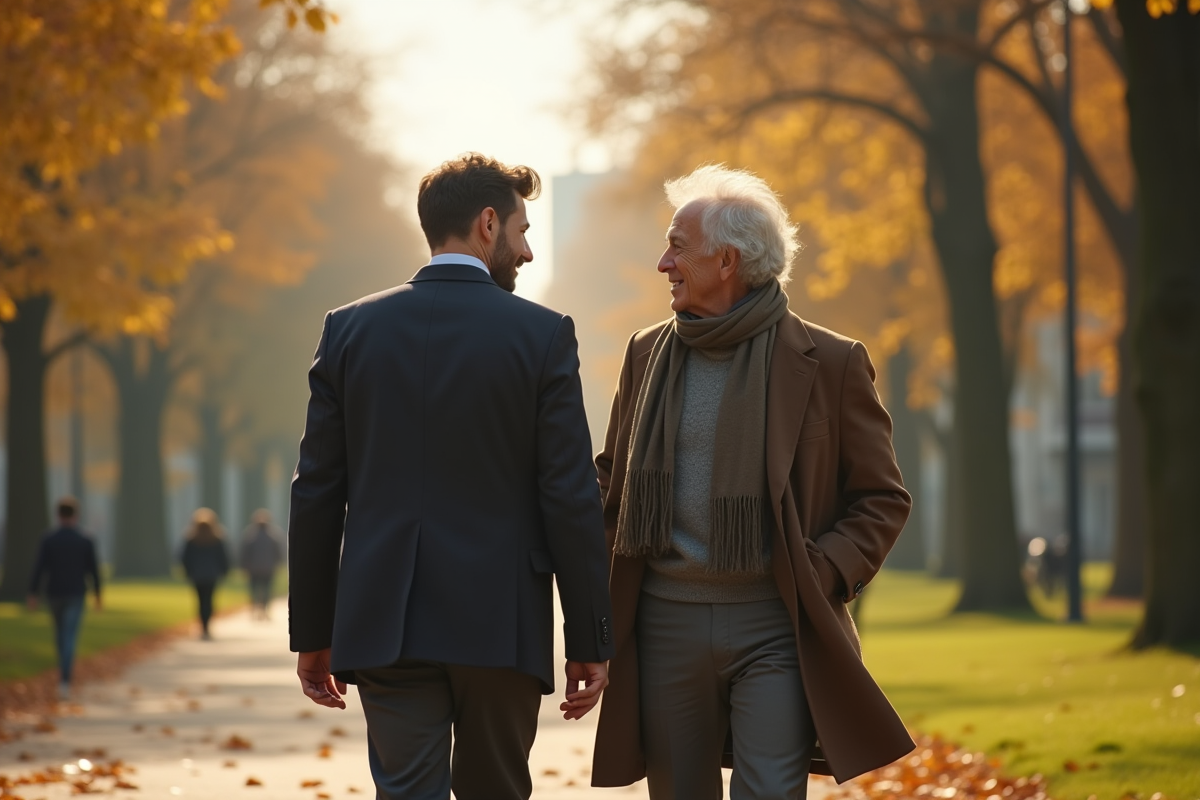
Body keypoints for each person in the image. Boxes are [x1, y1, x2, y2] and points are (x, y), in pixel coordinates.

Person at [288, 153, 614, 800]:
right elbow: (569, 495)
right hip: (501, 621)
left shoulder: (348, 330)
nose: (525, 253)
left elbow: (318, 492)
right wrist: (587, 636)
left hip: (385, 619)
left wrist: (315, 632)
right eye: (522, 231)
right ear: (487, 224)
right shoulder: (542, 335)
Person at [591, 165, 915, 798]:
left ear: (728, 260)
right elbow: (613, 483)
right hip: (664, 622)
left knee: (770, 790)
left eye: (677, 247)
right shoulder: (643, 353)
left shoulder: (831, 361)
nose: (663, 263)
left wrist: (820, 571)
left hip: (776, 622)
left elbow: (881, 497)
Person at [27, 497, 102, 700]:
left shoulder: (49, 539)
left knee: (61, 635)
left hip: (54, 593)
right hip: (76, 593)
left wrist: (33, 592)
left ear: (58, 515)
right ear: (75, 515)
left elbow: (39, 568)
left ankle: (64, 676)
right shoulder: (85, 539)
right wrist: (98, 594)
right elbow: (93, 570)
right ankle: (65, 679)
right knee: (69, 635)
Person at [179, 508, 230, 640]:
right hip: (212, 575)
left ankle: (203, 626)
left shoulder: (191, 539)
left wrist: (187, 571)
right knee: (209, 600)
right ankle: (207, 625)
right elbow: (223, 557)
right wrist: (224, 571)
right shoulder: (217, 539)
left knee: (200, 601)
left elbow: (185, 558)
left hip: (197, 575)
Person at [239, 509, 284, 619]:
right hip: (268, 568)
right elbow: (278, 552)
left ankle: (254, 607)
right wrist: (278, 563)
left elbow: (245, 552)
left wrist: (243, 565)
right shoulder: (273, 535)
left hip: (253, 568)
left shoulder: (250, 535)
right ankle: (264, 609)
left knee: (254, 589)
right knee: (267, 590)